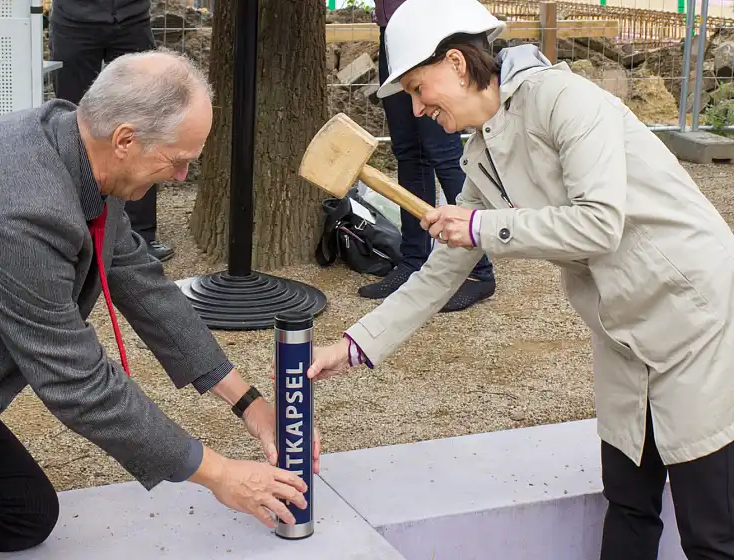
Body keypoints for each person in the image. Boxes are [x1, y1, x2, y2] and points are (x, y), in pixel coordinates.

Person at [307, 0, 734, 558]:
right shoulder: (483, 153)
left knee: (710, 530)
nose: (415, 108)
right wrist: (357, 344)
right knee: (629, 502)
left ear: (458, 64)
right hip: (623, 329)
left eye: (417, 87)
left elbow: (598, 223)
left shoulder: (566, 100)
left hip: (690, 315)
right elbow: (442, 271)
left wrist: (482, 225)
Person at [0, 48, 319, 560]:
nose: (182, 176)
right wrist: (220, 473)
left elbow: (142, 284)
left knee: (24, 516)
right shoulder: (15, 212)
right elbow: (76, 381)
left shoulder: (77, 150)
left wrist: (249, 404)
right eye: (179, 160)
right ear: (125, 139)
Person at [360, 0, 496, 311]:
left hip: (434, 32)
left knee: (444, 152)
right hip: (393, 31)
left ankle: (479, 271)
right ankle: (413, 260)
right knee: (408, 152)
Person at [48, 0, 174, 262]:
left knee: (145, 122)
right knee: (72, 122)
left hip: (132, 19)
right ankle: (74, 235)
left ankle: (140, 237)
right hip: (74, 20)